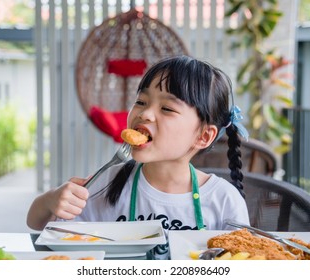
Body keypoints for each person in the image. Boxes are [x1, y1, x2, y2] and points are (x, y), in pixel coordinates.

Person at [27, 55, 250, 259]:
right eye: (141, 102)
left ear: (203, 136)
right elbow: (39, 225)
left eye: (167, 108)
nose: (144, 113)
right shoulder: (107, 182)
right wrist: (50, 201)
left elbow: (244, 262)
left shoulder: (224, 200)